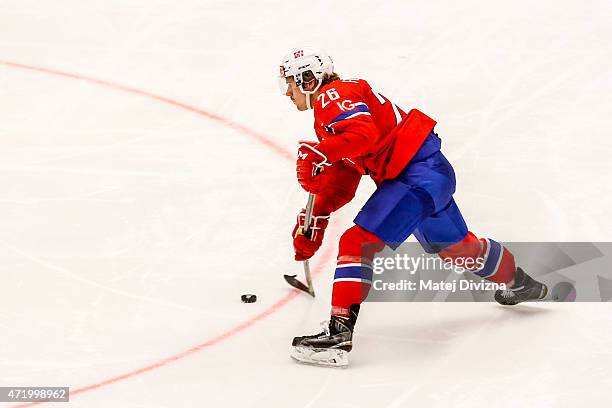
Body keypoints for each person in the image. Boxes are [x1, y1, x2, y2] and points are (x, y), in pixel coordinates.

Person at [279, 47, 548, 367]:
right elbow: (346, 175)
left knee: (356, 242)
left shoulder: (332, 95)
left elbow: (363, 134)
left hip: (415, 177)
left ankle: (338, 334)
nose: (287, 92)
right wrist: (318, 214)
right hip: (430, 174)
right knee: (458, 249)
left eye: (290, 84)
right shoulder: (332, 110)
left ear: (308, 80)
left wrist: (321, 153)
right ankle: (519, 282)